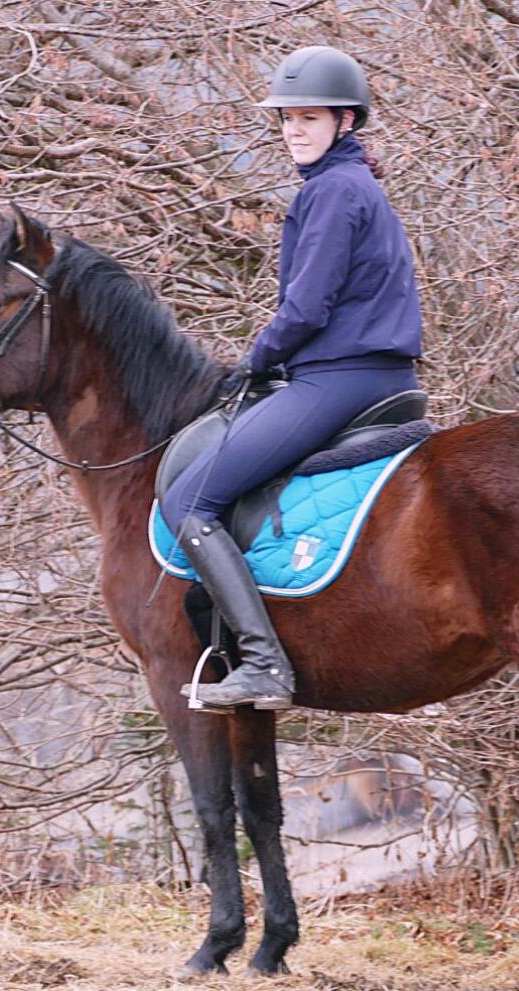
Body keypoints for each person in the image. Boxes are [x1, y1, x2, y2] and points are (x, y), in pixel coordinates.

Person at [160, 45, 424, 711]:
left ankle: (264, 662)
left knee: (189, 502)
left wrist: (257, 357)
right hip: (367, 373)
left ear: (346, 121)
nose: (294, 130)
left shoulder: (334, 192)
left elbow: (307, 308)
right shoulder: (350, 185)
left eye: (308, 117)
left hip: (341, 379)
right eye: (287, 119)